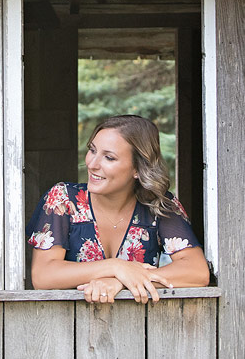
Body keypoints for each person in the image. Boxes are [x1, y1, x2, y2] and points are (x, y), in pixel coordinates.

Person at [27, 114, 210, 304]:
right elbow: (43, 275)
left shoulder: (159, 206)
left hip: (143, 329)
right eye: (92, 150)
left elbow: (197, 272)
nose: (92, 164)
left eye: (109, 157)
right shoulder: (63, 199)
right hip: (65, 328)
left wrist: (121, 282)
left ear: (138, 169)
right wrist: (115, 267)